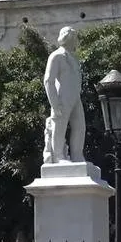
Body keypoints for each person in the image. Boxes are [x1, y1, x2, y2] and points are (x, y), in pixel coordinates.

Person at [42, 26, 85, 163]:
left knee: (80, 126)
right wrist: (54, 103)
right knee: (59, 126)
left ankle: (77, 156)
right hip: (62, 96)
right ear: (67, 39)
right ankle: (58, 156)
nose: (76, 42)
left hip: (75, 97)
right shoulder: (57, 56)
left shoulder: (73, 58)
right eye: (74, 39)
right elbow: (48, 80)